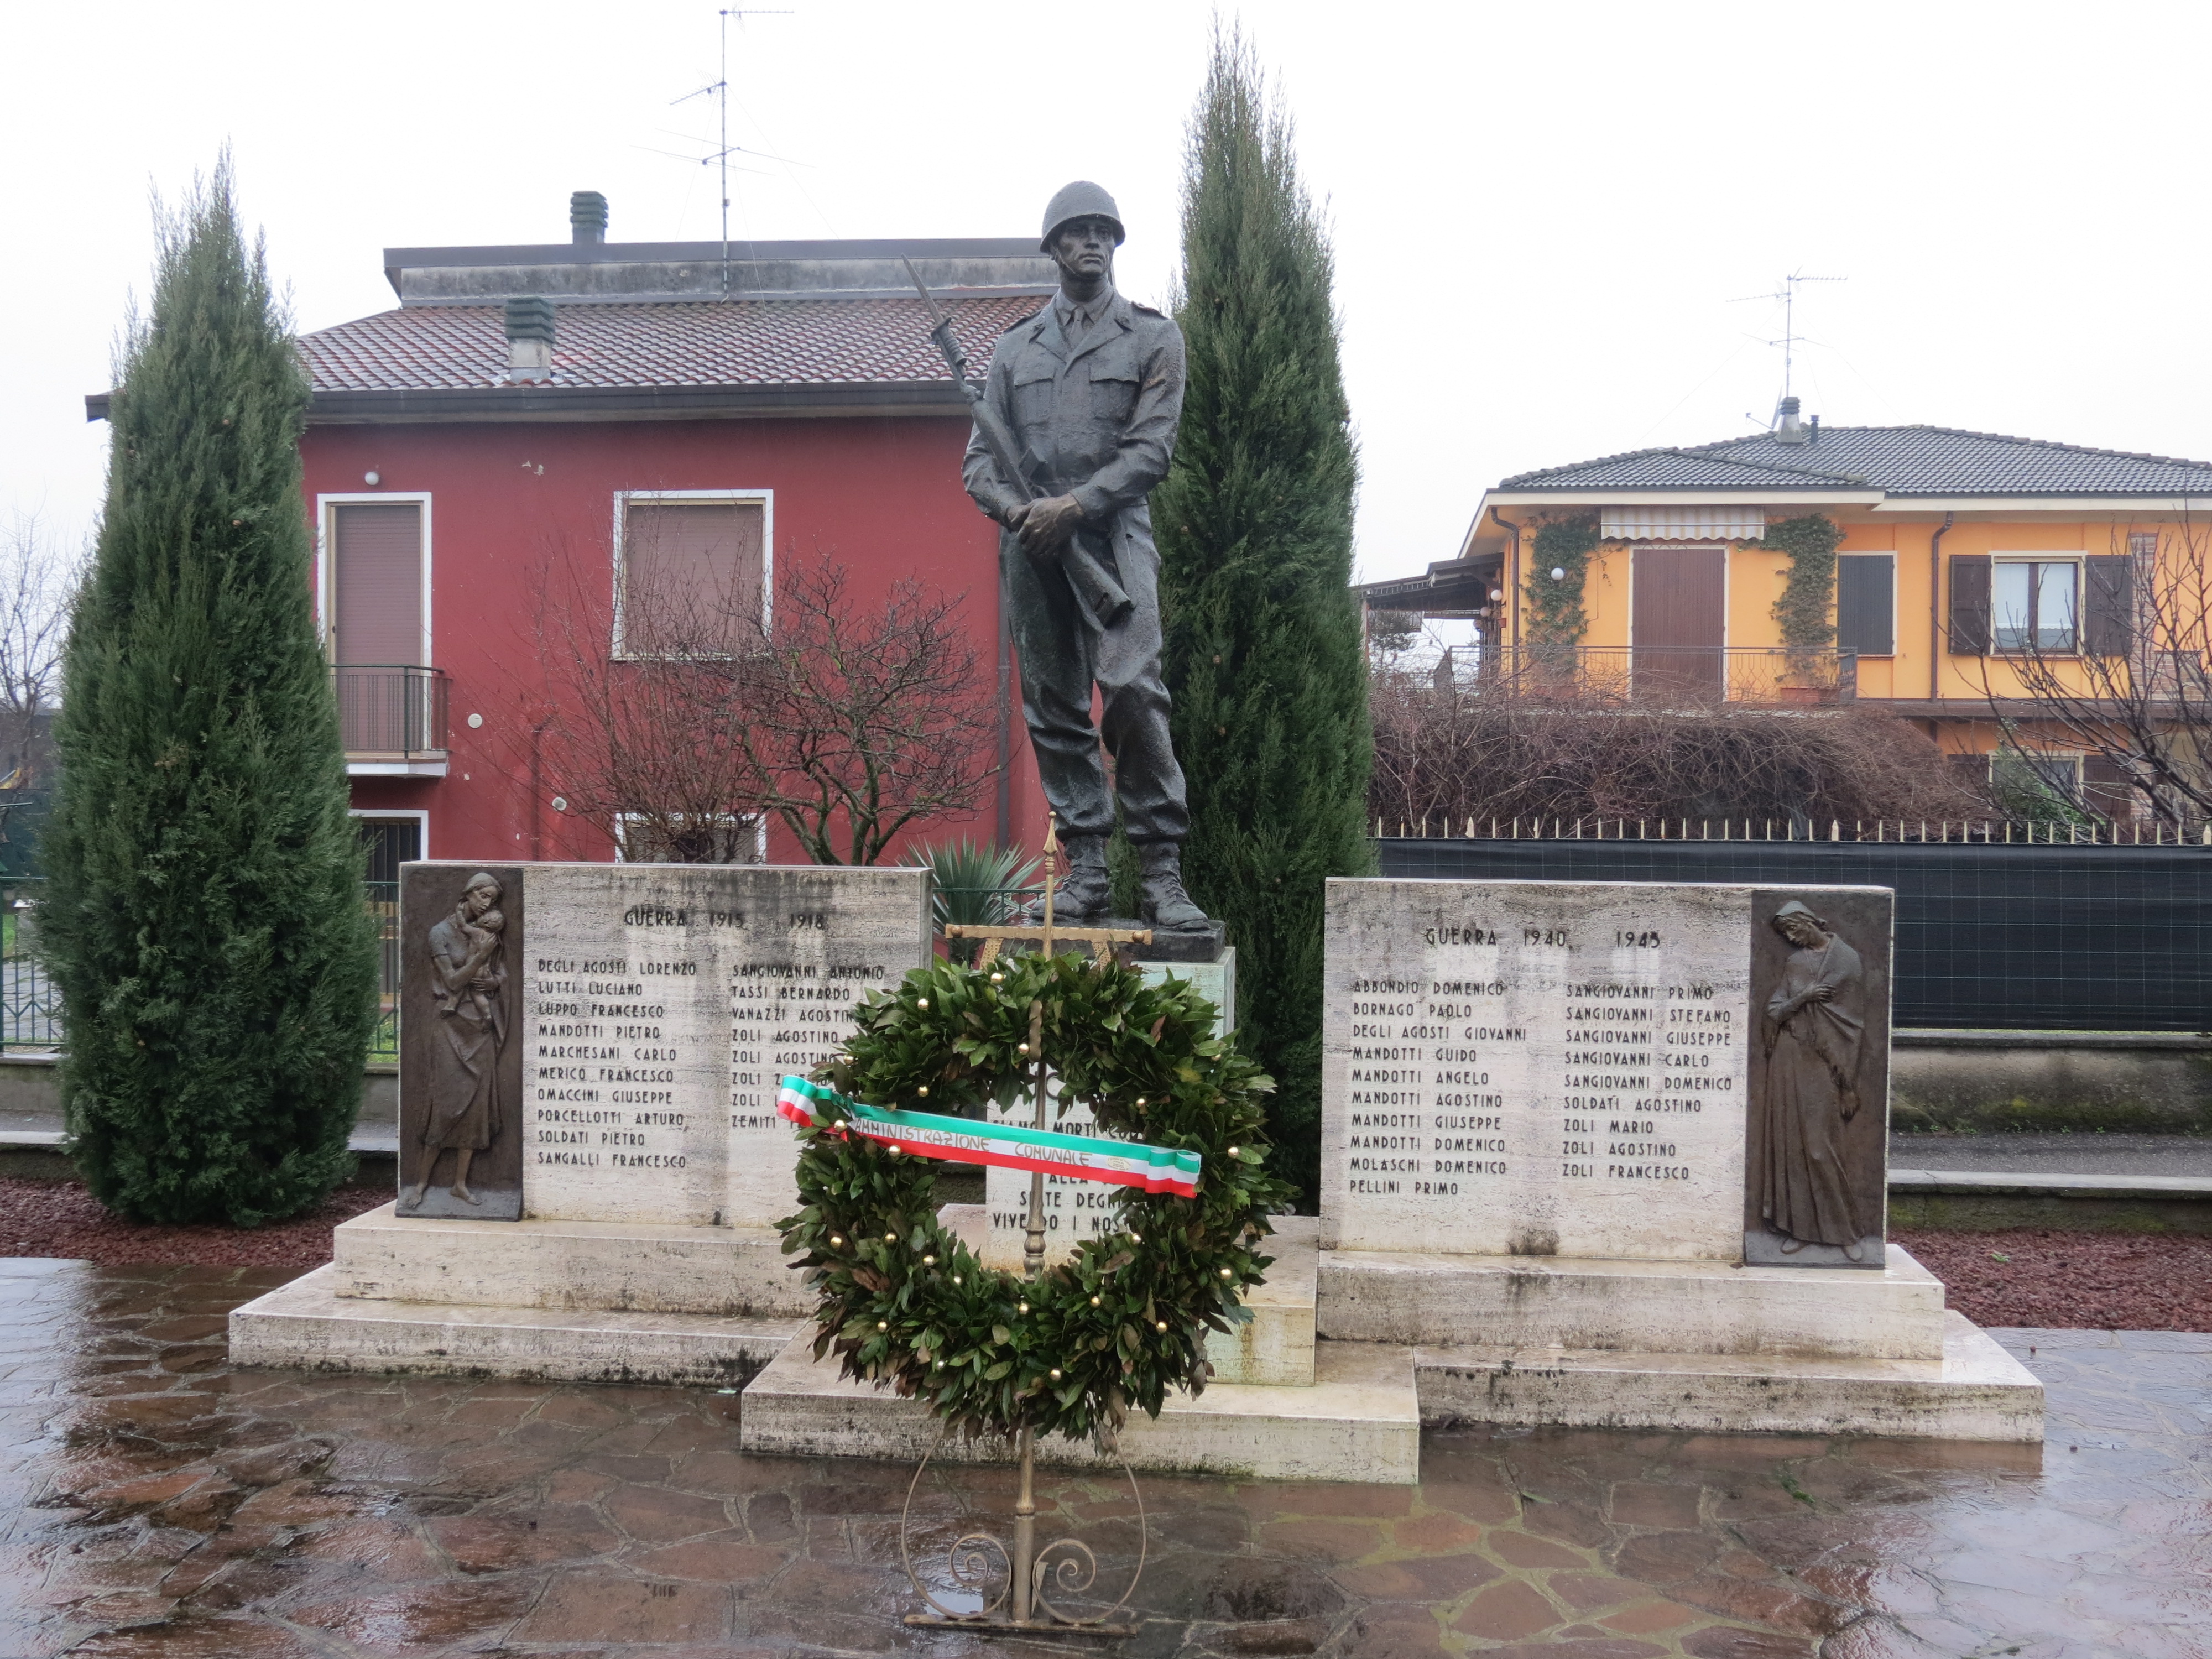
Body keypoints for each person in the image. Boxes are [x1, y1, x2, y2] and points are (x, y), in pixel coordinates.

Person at [961, 181, 1207, 931]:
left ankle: (1162, 873)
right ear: (1053, 248)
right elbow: (978, 466)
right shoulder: (1013, 350)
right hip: (1034, 548)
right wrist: (1025, 515)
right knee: (1055, 706)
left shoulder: (1152, 338)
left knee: (1133, 689)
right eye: (1076, 232)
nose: (1091, 242)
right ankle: (1088, 872)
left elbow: (1151, 452)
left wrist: (1076, 505)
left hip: (1114, 536)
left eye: (1104, 230)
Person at [1757, 900, 1869, 1259]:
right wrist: (1802, 998)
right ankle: (1800, 1227)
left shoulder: (1846, 960)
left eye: (1793, 929)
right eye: (1784, 934)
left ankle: (1846, 1233)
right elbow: (1775, 1008)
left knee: (1821, 1147)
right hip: (1790, 1058)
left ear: (1809, 922)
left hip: (1826, 1063)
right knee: (1792, 1146)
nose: (1790, 938)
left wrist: (1847, 1083)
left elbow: (1850, 1022)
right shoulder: (1795, 963)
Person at [402, 872, 508, 1208]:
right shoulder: (440, 933)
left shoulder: (490, 933)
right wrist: (478, 960)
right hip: (450, 1026)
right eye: (485, 897)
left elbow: (501, 974)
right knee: (446, 1105)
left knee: (475, 1108)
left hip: (480, 1029)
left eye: (493, 899)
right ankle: (420, 1184)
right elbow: (450, 981)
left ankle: (460, 1184)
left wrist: (490, 984)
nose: (488, 904)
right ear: (469, 894)